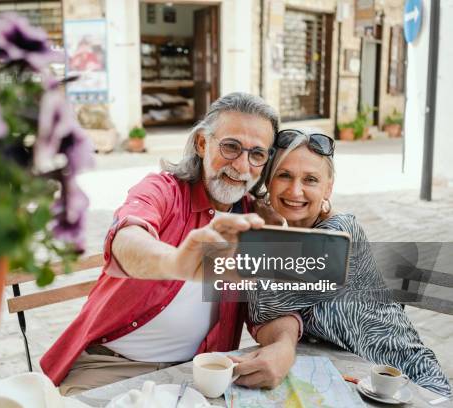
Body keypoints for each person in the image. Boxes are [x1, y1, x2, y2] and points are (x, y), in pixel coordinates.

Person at [40, 93, 303, 395]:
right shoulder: (163, 190)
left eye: (257, 154)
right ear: (203, 144)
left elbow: (271, 307)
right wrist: (175, 263)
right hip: (110, 367)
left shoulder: (255, 220)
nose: (242, 166)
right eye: (231, 147)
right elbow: (126, 236)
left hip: (195, 374)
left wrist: (284, 347)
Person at [243, 128, 452, 397]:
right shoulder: (297, 241)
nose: (295, 190)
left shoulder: (339, 234)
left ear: (328, 188)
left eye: (310, 179)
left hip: (410, 385)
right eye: (284, 175)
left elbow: (261, 305)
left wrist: (266, 228)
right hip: (356, 381)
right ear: (268, 182)